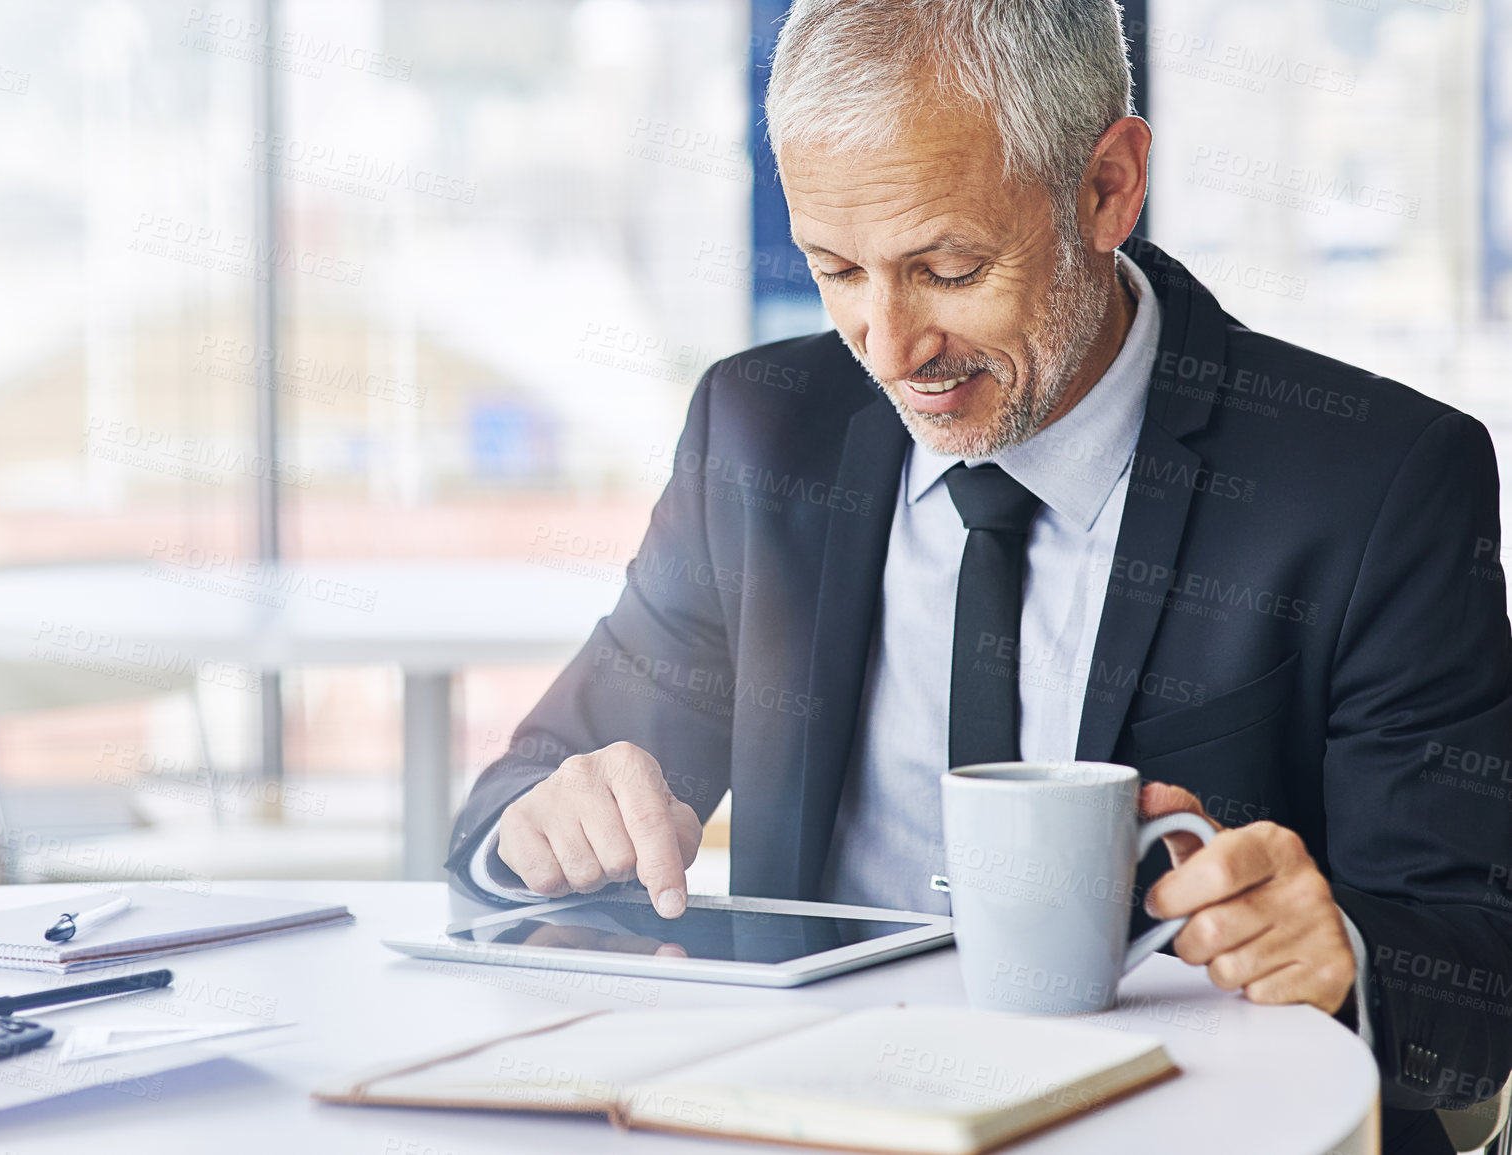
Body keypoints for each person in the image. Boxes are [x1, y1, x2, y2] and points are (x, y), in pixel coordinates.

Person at [446, 3, 1512, 1150]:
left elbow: (1478, 986)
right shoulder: (764, 433)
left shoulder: (1376, 480)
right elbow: (512, 814)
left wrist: (1339, 954)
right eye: (836, 269)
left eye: (947, 269)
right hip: (809, 1122)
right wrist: (544, 830)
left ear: (1108, 186)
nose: (889, 348)